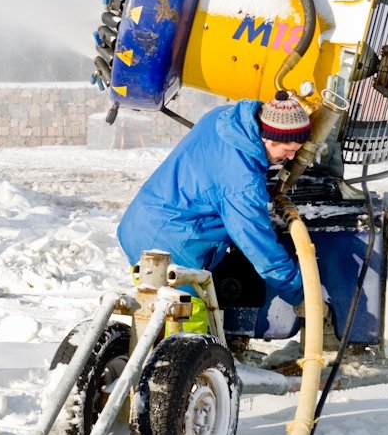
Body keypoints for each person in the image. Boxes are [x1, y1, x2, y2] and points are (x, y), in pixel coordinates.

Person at [117, 91, 310, 333]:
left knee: (156, 314)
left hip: (142, 222)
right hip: (172, 245)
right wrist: (301, 295)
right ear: (267, 138)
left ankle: (148, 357)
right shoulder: (242, 183)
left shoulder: (223, 118)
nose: (291, 157)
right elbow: (260, 248)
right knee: (188, 328)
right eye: (289, 150)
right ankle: (185, 369)